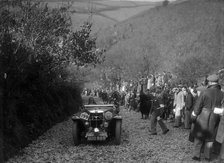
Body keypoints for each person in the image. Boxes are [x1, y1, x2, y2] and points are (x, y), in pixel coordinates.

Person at [191, 74, 224, 161]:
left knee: (199, 136)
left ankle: (196, 156)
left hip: (203, 116)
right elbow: (222, 109)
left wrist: (193, 116)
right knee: (210, 138)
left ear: (210, 82)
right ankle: (207, 156)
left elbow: (198, 106)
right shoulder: (222, 94)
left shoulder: (204, 92)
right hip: (215, 118)